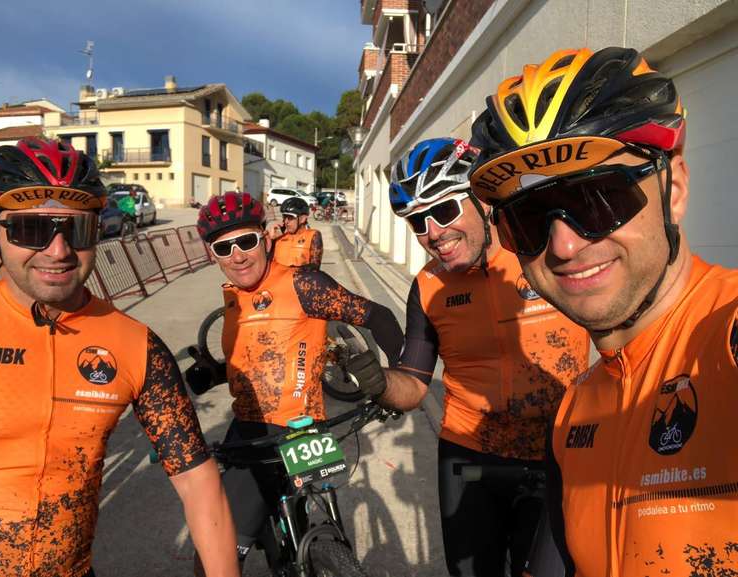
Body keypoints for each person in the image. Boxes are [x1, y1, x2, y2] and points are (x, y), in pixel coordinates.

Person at [468, 46, 738, 577]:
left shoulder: (724, 335)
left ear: (675, 190)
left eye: (598, 197)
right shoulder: (573, 415)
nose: (564, 246)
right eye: (528, 217)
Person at [0, 138, 239, 577]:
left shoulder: (136, 345)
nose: (58, 251)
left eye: (77, 230)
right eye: (32, 229)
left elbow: (197, 479)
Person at [348, 137, 589, 577]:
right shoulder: (428, 287)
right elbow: (414, 385)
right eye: (418, 221)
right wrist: (378, 382)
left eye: (444, 211)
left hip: (559, 455)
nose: (433, 233)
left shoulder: (545, 251)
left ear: (483, 201)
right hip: (470, 459)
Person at [186, 191, 404, 565]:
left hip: (297, 427)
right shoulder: (234, 297)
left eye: (246, 241)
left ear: (264, 237)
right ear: (213, 255)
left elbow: (378, 316)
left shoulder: (303, 283)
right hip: (250, 426)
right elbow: (262, 358)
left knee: (215, 553)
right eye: (224, 248)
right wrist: (217, 373)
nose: (237, 255)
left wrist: (401, 380)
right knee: (277, 531)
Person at [269, 196, 323, 269]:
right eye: (284, 217)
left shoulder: (312, 235)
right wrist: (271, 240)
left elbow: (315, 268)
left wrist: (289, 271)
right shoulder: (279, 238)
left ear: (303, 219)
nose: (286, 221)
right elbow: (265, 264)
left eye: (290, 217)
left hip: (298, 276)